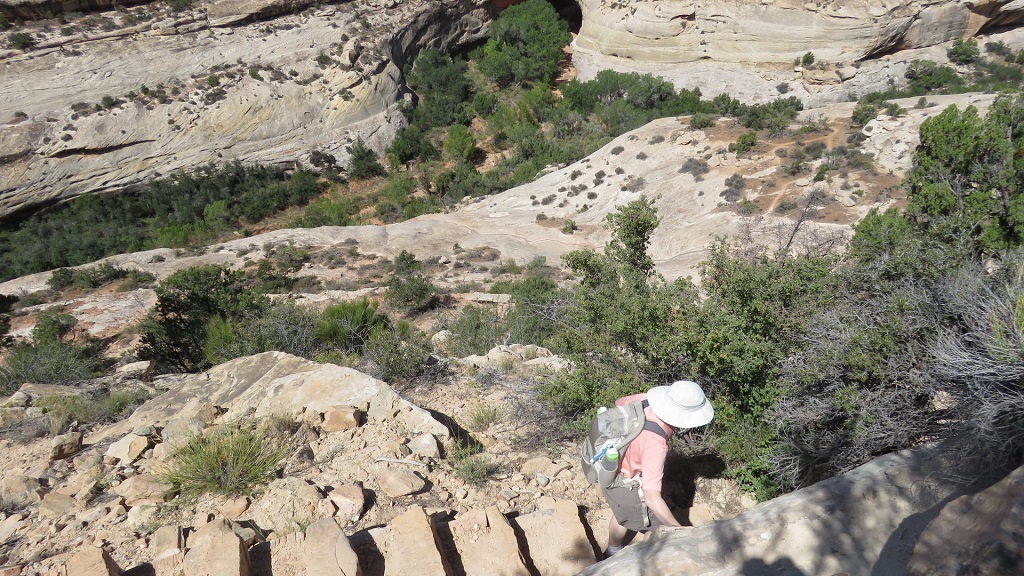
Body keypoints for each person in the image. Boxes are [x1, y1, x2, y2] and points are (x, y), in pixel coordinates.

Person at [602, 380, 714, 558]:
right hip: (628, 483)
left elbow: (619, 403)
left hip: (608, 468)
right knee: (656, 527)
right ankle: (641, 561)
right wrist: (678, 530)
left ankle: (611, 552)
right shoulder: (656, 444)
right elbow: (652, 499)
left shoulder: (643, 399)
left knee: (622, 513)